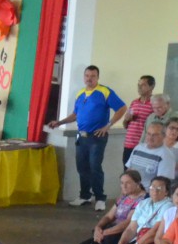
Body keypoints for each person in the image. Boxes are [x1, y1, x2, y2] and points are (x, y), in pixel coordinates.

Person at [48, 65, 128, 211]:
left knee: (95, 166)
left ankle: (100, 198)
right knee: (82, 166)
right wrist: (59, 122)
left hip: (97, 136)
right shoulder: (80, 93)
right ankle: (85, 196)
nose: (89, 79)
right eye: (87, 76)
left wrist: (108, 126)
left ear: (98, 77)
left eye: (92, 76)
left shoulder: (104, 91)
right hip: (81, 136)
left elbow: (122, 108)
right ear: (83, 77)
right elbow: (75, 115)